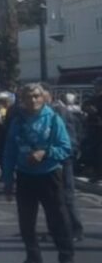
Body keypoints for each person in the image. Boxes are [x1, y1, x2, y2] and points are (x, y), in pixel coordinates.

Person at [3, 83, 75, 263]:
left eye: (36, 96)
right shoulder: (17, 122)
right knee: (26, 221)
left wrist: (46, 153)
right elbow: (9, 150)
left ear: (43, 98)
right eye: (28, 97)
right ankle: (33, 257)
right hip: (25, 176)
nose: (32, 100)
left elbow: (66, 148)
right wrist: (8, 179)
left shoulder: (53, 119)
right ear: (22, 100)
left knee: (58, 219)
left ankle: (66, 258)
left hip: (49, 175)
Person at [45, 88, 84, 241]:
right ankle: (58, 229)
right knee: (53, 197)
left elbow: (68, 136)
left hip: (63, 157)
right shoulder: (49, 112)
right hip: (53, 157)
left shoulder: (57, 111)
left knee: (67, 194)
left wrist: (68, 152)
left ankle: (75, 229)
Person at [82, 77, 102, 182]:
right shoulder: (93, 97)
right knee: (93, 151)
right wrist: (88, 108)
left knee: (99, 152)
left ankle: (99, 174)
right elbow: (84, 105)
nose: (95, 87)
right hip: (93, 128)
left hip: (99, 128)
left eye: (97, 85)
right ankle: (96, 172)